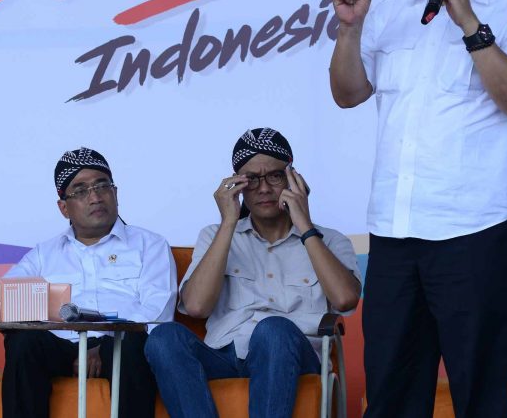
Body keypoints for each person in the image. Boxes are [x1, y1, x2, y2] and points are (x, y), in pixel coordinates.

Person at [329, 0, 507, 417]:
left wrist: (468, 19)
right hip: (396, 231)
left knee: (480, 393)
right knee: (392, 394)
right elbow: (348, 93)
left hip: (476, 230)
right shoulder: (392, 13)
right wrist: (350, 31)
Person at [0, 147, 176, 418]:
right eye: (81, 191)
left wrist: (103, 346)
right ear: (64, 208)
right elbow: (1, 293)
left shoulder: (150, 245)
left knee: (134, 345)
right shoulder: (45, 253)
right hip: (60, 346)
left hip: (119, 346)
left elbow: (157, 313)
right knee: (24, 342)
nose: (95, 197)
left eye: (102, 186)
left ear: (115, 193)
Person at [144, 128, 361, 418]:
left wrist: (305, 225)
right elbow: (196, 306)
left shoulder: (330, 240)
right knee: (163, 337)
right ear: (237, 184)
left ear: (293, 179)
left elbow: (345, 299)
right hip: (225, 354)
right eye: (252, 179)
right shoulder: (215, 235)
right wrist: (229, 222)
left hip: (293, 356)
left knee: (273, 329)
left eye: (275, 176)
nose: (264, 188)